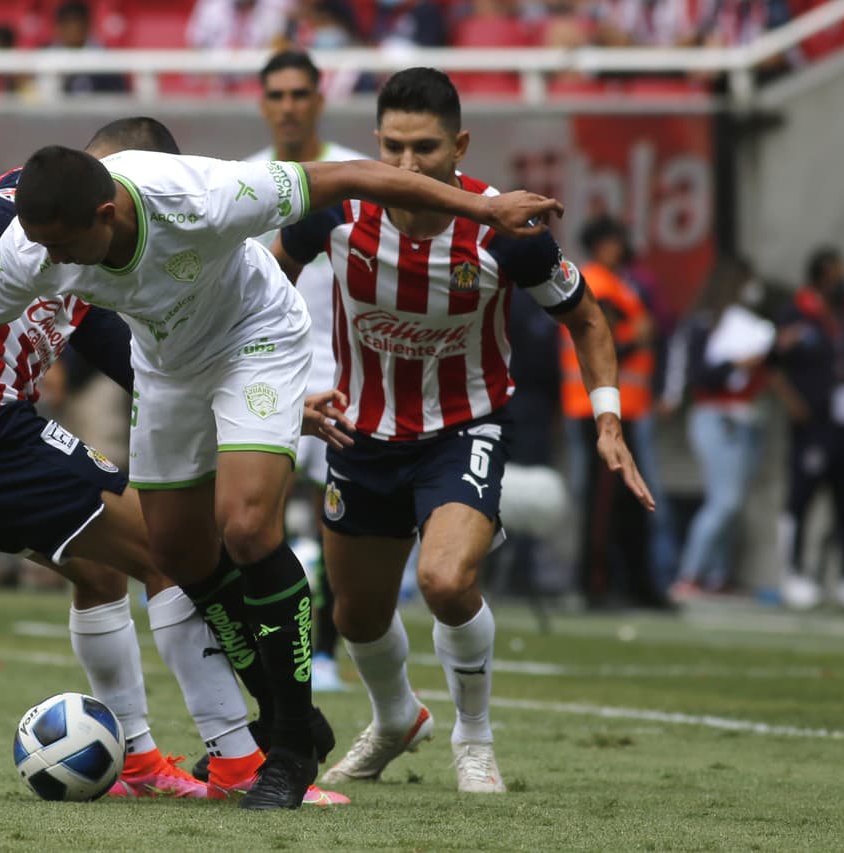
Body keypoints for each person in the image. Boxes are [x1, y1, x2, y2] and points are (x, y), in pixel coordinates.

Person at [0, 114, 561, 806]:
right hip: (168, 366)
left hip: (255, 337)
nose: (51, 265)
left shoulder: (204, 195)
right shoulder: (34, 242)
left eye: (63, 247)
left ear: (106, 210)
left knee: (245, 526)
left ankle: (278, 752)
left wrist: (482, 209)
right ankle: (260, 725)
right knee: (179, 553)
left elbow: (351, 176)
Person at [0, 116, 346, 805]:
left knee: (102, 571)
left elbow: (137, 359)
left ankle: (136, 762)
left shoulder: (101, 250)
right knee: (168, 553)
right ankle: (240, 760)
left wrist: (269, 403)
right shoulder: (32, 215)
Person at [269, 67, 653, 793]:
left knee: (445, 580)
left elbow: (587, 319)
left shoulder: (505, 228)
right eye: (393, 147)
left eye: (425, 148)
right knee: (356, 613)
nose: (407, 166)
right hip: (361, 431)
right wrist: (282, 391)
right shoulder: (338, 208)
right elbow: (264, 283)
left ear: (461, 145)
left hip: (464, 426)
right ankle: (394, 718)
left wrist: (608, 415)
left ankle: (473, 737)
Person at [247, 49, 371, 694]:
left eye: (301, 94)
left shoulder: (353, 173)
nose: (290, 106)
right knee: (254, 515)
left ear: (319, 100)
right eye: (278, 95)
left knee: (334, 518)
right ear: (263, 103)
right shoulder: (238, 182)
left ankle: (323, 650)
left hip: (345, 367)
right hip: (263, 368)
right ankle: (265, 643)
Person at [561, 215, 671, 608]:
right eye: (613, 241)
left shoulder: (621, 284)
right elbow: (599, 344)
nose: (621, 248)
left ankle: (634, 583)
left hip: (627, 407)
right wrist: (639, 339)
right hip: (594, 408)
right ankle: (594, 583)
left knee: (629, 502)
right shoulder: (596, 282)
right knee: (602, 501)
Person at [661, 255, 773, 599]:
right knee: (725, 501)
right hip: (715, 418)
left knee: (730, 501)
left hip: (747, 418)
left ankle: (718, 574)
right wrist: (735, 362)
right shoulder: (703, 325)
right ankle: (690, 573)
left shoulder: (750, 324)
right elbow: (700, 376)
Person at [769, 246, 844, 610]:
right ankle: (793, 572)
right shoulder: (796, 312)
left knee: (842, 500)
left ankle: (840, 577)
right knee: (801, 497)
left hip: (841, 423)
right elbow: (773, 364)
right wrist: (791, 402)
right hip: (811, 423)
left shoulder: (839, 315)